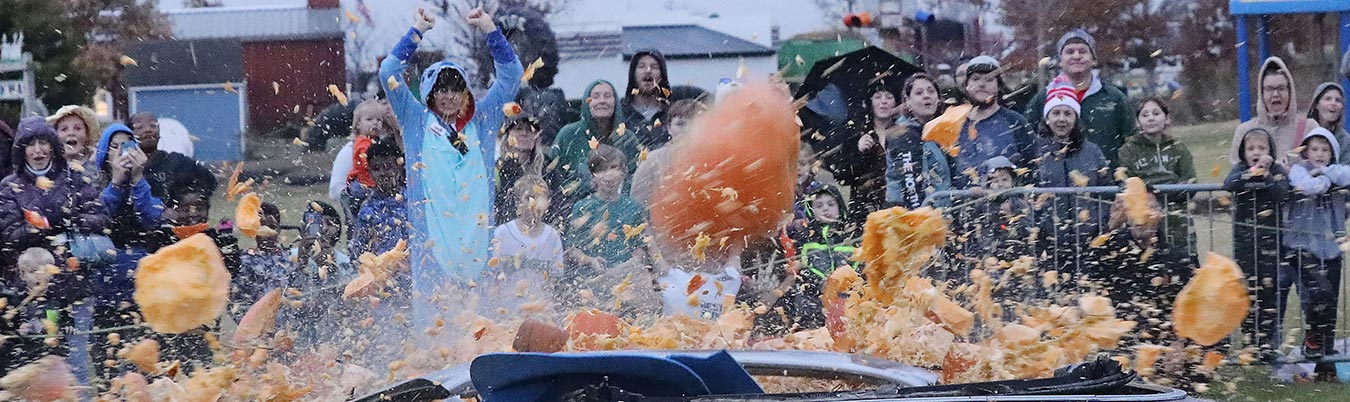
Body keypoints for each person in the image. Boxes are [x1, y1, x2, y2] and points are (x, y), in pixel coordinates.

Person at [379, 7, 522, 287]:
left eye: (456, 89)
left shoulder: (484, 119)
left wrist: (491, 31)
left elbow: (512, 75)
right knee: (434, 323)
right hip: (430, 242)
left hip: (478, 239)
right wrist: (417, 31)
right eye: (441, 89)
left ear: (466, 92)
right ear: (429, 92)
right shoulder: (415, 120)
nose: (449, 97)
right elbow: (388, 72)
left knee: (480, 322)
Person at [0, 117, 108, 268]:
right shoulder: (9, 186)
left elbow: (102, 219)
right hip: (30, 270)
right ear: (22, 151)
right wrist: (39, 226)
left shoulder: (76, 177)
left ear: (52, 146)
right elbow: (10, 237)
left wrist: (73, 219)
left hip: (74, 265)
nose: (38, 150)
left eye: (43, 142)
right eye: (30, 144)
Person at [1281, 128, 1350, 359]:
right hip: (1301, 247)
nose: (1319, 154)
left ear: (1332, 153)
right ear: (1305, 151)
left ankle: (1326, 362)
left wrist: (1326, 172)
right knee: (1319, 291)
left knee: (1329, 302)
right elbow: (1311, 187)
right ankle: (1312, 336)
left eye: (1325, 149)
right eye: (1314, 149)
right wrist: (1324, 177)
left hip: (1331, 247)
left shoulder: (1337, 170)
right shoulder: (1298, 171)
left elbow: (1346, 176)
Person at [1031, 78, 1109, 276]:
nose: (1061, 119)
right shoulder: (1034, 151)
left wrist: (1099, 226)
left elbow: (1106, 193)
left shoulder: (1092, 151)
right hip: (1047, 244)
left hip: (1088, 242)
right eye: (1056, 113)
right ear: (1047, 117)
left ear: (1076, 117)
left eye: (1068, 113)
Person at [1223, 127, 1289, 362]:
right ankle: (1250, 342)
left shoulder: (1277, 170)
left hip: (1271, 246)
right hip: (1245, 246)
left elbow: (1283, 192)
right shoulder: (1239, 169)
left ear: (1270, 151)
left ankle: (1268, 343)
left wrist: (1267, 175)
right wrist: (1248, 176)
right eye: (1251, 148)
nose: (1256, 152)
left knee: (1269, 294)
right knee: (1247, 295)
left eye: (1262, 148)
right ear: (1243, 152)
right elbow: (1228, 184)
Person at [1024, 29, 1135, 165]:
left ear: (1093, 59)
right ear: (1060, 61)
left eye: (1082, 51)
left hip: (1106, 182)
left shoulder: (1114, 98)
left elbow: (1131, 140)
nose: (1076, 56)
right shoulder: (1043, 98)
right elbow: (1027, 141)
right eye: (1070, 52)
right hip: (1054, 182)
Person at [562, 145, 646, 304]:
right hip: (591, 285)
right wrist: (590, 260)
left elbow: (639, 247)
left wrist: (630, 265)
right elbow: (572, 249)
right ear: (593, 176)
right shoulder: (583, 207)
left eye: (614, 168)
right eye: (601, 170)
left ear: (623, 172)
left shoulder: (632, 207)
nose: (608, 175)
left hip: (626, 286)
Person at [1117, 97, 1196, 252]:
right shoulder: (1128, 150)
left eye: (1156, 113)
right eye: (1145, 115)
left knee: (1185, 264)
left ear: (1166, 118)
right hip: (1145, 222)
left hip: (1178, 220)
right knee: (1151, 267)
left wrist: (1155, 190)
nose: (1151, 118)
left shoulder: (1178, 147)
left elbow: (1190, 182)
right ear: (1138, 121)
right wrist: (1165, 189)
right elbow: (1130, 183)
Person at [553, 80, 640, 206]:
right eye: (595, 97)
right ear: (586, 102)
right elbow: (554, 175)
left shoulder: (627, 138)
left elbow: (637, 178)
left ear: (616, 102)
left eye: (607, 96)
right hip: (577, 210)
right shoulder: (569, 135)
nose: (602, 101)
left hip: (623, 211)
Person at [953, 56, 1035, 188]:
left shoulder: (1015, 122)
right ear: (967, 85)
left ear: (999, 85)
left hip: (1010, 205)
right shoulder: (954, 123)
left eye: (989, 79)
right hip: (962, 205)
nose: (981, 84)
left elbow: (1033, 166)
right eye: (975, 79)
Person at [490, 175, 565, 313]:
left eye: (540, 198)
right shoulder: (502, 233)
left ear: (548, 203)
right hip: (507, 311)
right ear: (518, 202)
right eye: (529, 197)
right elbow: (494, 277)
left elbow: (554, 280)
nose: (535, 203)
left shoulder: (552, 236)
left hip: (541, 312)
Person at [1228, 57, 1319, 165]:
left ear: (1290, 92)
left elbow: (1320, 167)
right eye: (1269, 89)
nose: (1275, 94)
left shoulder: (1310, 129)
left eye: (1281, 88)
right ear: (1261, 94)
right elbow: (1236, 173)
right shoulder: (1244, 131)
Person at [286, 200, 352, 349]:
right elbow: (285, 295)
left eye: (329, 224)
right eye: (317, 224)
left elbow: (348, 298)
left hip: (335, 341)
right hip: (295, 340)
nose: (322, 230)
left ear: (338, 230)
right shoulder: (290, 257)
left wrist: (329, 263)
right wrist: (302, 261)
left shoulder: (345, 263)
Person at [884, 73, 952, 210]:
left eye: (931, 91)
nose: (926, 95)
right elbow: (910, 186)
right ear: (908, 101)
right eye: (919, 93)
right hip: (916, 218)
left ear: (938, 99)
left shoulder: (940, 130)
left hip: (941, 214)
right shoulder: (903, 135)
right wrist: (921, 219)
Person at [329, 99, 399, 228]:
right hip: (363, 184)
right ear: (358, 124)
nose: (375, 123)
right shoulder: (360, 144)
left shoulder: (379, 143)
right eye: (369, 119)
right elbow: (367, 163)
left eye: (379, 120)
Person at [840, 83, 902, 224]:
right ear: (870, 102)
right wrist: (858, 150)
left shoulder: (905, 131)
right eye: (877, 97)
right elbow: (843, 176)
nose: (883, 101)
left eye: (889, 97)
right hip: (865, 206)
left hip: (898, 203)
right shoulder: (856, 134)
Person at [631, 99, 706, 207]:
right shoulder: (653, 160)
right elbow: (637, 203)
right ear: (669, 128)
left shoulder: (710, 157)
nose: (687, 129)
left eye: (694, 123)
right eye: (680, 124)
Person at [129, 112, 216, 203]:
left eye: (153, 125)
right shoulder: (124, 166)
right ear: (129, 135)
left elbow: (210, 181)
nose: (148, 129)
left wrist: (188, 202)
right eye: (139, 127)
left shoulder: (177, 162)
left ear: (159, 133)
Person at [496, 112, 565, 224]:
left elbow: (559, 205)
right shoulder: (499, 169)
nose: (524, 133)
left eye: (530, 130)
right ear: (508, 134)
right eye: (518, 129)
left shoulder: (548, 168)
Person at [236, 202, 290, 314]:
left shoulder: (288, 258)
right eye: (262, 227)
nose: (268, 233)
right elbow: (238, 301)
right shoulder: (245, 261)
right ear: (253, 230)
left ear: (279, 230)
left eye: (272, 227)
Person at [621, 49, 672, 149]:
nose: (648, 70)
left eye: (654, 67)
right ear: (633, 74)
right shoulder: (621, 113)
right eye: (641, 66)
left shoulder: (671, 113)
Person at [47, 105, 100, 177]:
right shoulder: (47, 168)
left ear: (87, 134)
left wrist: (91, 166)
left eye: (77, 128)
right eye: (64, 129)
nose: (71, 133)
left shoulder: (100, 165)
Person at [1307, 82, 1349, 163]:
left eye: (1338, 100)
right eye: (1328, 99)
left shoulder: (1345, 141)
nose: (1333, 103)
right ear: (1316, 104)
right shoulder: (1303, 131)